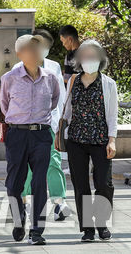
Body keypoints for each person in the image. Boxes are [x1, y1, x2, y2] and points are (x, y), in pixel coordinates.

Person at [0, 35, 60, 245]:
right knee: (14, 184)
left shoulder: (51, 77)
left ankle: (37, 230)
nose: (34, 52)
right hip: (17, 134)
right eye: (29, 49)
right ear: (19, 54)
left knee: (39, 182)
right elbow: (4, 104)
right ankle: (19, 220)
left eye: (37, 48)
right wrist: (20, 122)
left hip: (42, 134)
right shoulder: (9, 77)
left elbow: (54, 102)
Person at [58, 39, 118, 242]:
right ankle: (88, 229)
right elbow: (67, 111)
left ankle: (102, 223)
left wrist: (112, 140)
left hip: (101, 140)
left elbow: (112, 115)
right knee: (80, 185)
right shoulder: (73, 81)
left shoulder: (108, 84)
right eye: (84, 55)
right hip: (76, 140)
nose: (88, 59)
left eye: (92, 56)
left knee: (104, 184)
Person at [13, 30, 70, 221]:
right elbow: (8, 100)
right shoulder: (17, 67)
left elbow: (60, 98)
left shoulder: (53, 67)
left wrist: (60, 123)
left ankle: (59, 202)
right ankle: (24, 202)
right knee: (26, 167)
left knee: (53, 163)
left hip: (48, 126)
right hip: (24, 127)